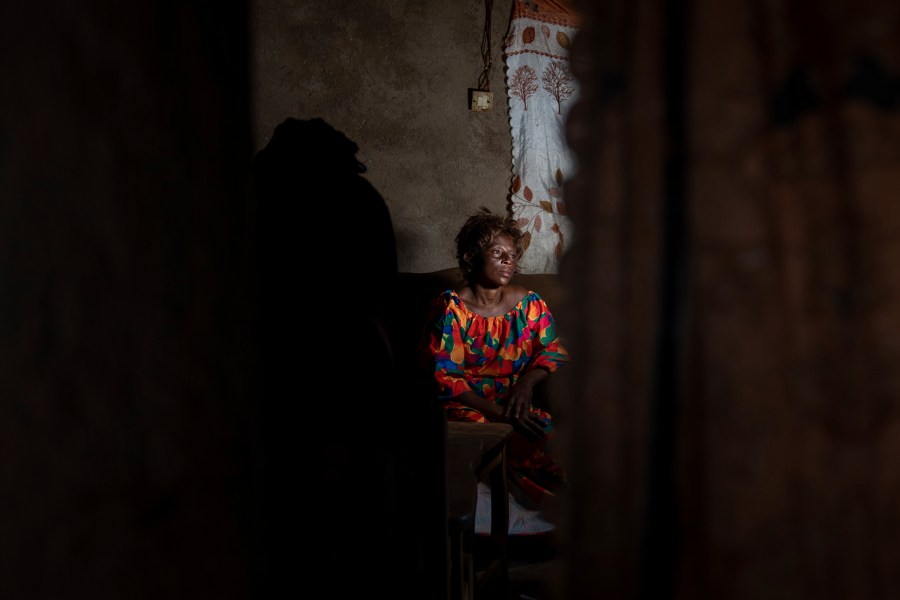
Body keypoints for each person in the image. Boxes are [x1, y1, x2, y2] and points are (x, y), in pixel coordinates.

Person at [419, 207, 570, 512]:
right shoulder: (451, 309)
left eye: (512, 255)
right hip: (468, 407)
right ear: (472, 256)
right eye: (497, 252)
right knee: (500, 441)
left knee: (550, 436)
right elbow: (443, 376)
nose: (507, 260)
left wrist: (527, 384)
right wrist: (499, 414)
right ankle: (507, 521)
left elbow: (553, 348)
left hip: (515, 403)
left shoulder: (529, 305)